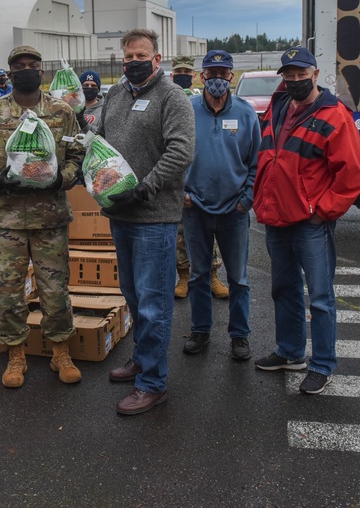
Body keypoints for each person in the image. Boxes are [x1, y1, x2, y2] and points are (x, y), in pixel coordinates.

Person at [0, 45, 85, 388]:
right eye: (20, 66)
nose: (26, 70)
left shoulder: (62, 112)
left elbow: (77, 153)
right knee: (8, 291)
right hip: (6, 220)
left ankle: (61, 351)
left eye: (33, 65)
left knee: (55, 289)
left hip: (50, 218)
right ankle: (16, 355)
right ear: (10, 73)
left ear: (41, 72)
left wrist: (65, 177)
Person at [253, 46, 360, 395]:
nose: (296, 80)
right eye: (290, 74)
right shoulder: (279, 104)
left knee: (319, 296)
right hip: (277, 217)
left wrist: (322, 211)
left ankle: (322, 364)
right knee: (283, 289)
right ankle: (290, 352)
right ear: (283, 76)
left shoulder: (334, 115)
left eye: (302, 74)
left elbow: (350, 175)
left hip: (310, 221)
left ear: (315, 75)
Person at [96, 28, 194, 415]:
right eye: (127, 58)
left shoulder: (172, 97)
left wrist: (144, 189)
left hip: (154, 216)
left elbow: (181, 150)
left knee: (154, 303)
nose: (132, 62)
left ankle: (153, 383)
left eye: (141, 56)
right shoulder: (116, 94)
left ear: (157, 59)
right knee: (133, 295)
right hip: (120, 213)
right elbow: (100, 140)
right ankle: (141, 358)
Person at [181, 50, 261, 360]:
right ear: (202, 77)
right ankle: (200, 331)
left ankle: (239, 335)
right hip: (195, 209)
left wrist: (247, 200)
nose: (217, 78)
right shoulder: (187, 111)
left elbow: (256, 161)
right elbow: (173, 155)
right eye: (211, 73)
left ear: (232, 76)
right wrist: (181, 194)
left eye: (223, 73)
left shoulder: (245, 113)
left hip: (234, 212)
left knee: (238, 278)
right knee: (199, 275)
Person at [171, 55, 227, 300]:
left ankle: (213, 276)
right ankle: (183, 276)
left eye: (186, 71)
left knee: (211, 232)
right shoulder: (169, 98)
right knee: (181, 233)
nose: (182, 74)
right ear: (172, 75)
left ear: (194, 75)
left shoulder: (199, 98)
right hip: (182, 177)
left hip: (206, 176)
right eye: (178, 71)